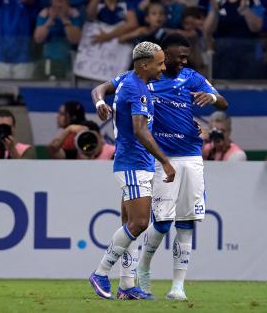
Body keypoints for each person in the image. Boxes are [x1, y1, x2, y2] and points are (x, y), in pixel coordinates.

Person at [92, 34, 227, 300]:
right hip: (151, 158)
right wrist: (99, 102)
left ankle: (142, 285)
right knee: (148, 222)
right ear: (156, 58)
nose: (174, 64)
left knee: (173, 222)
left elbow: (222, 101)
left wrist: (207, 102)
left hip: (180, 157)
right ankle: (116, 273)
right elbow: (137, 124)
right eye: (170, 59)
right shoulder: (138, 83)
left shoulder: (186, 78)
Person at [88, 41, 175, 301]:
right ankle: (101, 272)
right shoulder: (138, 91)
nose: (163, 67)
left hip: (136, 163)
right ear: (144, 64)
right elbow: (140, 130)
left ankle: (127, 286)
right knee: (139, 223)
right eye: (159, 63)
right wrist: (165, 161)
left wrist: (100, 102)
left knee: (130, 226)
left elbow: (99, 88)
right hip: (133, 164)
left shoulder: (128, 78)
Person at [33, 0, 83, 78]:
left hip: (68, 64)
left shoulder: (74, 14)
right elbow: (38, 39)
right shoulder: (44, 13)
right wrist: (50, 20)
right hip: (48, 61)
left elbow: (75, 39)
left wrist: (64, 18)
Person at [47, 120, 115, 160]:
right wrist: (69, 129)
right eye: (85, 139)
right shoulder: (77, 154)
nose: (89, 141)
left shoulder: (114, 153)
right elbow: (52, 149)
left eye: (91, 137)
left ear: (100, 136)